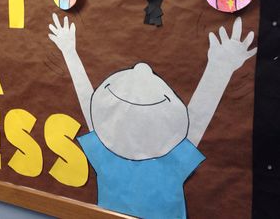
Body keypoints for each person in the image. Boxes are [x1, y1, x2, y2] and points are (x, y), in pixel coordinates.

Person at [48, 13, 257, 219]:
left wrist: (69, 52)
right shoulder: (172, 160)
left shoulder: (106, 153)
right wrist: (220, 68)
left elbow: (92, 107)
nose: (142, 68)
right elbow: (195, 121)